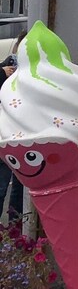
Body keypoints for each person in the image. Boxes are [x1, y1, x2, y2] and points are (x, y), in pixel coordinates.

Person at [0, 30, 25, 217]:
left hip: (21, 134)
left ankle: (15, 230)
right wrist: (2, 73)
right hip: (7, 133)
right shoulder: (9, 64)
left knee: (19, 186)